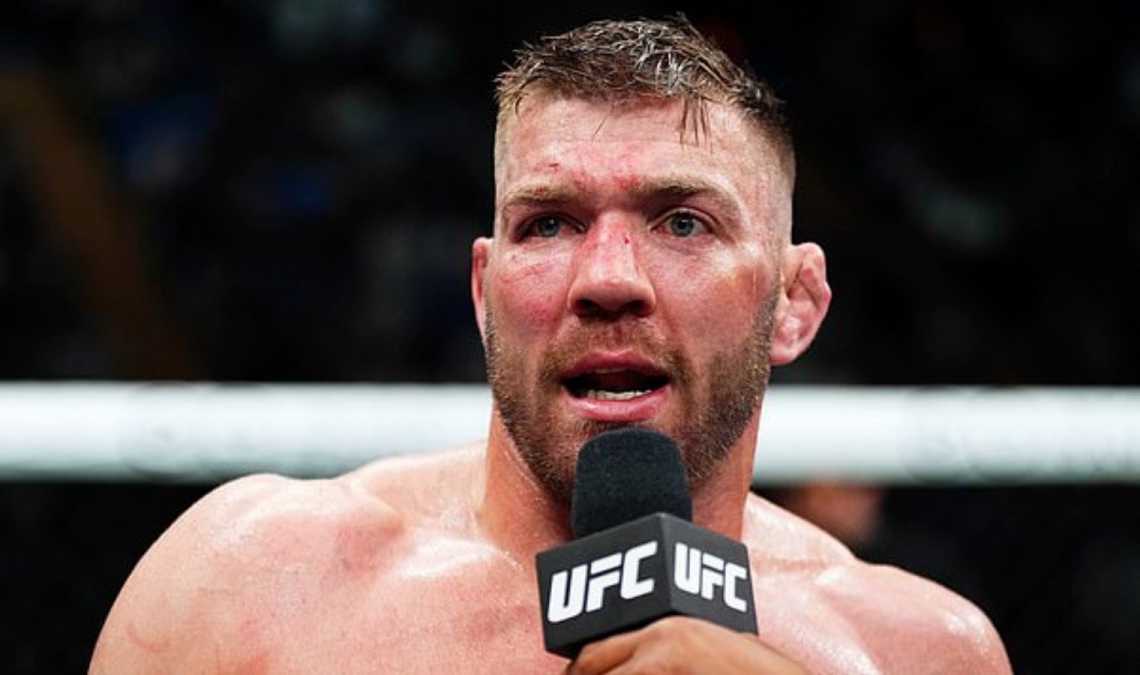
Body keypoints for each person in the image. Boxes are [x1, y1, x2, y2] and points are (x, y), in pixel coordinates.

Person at [89, 16, 1012, 674]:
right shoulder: (251, 583)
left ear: (793, 303)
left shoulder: (914, 652)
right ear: (484, 294)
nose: (607, 277)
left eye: (682, 222)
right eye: (550, 223)